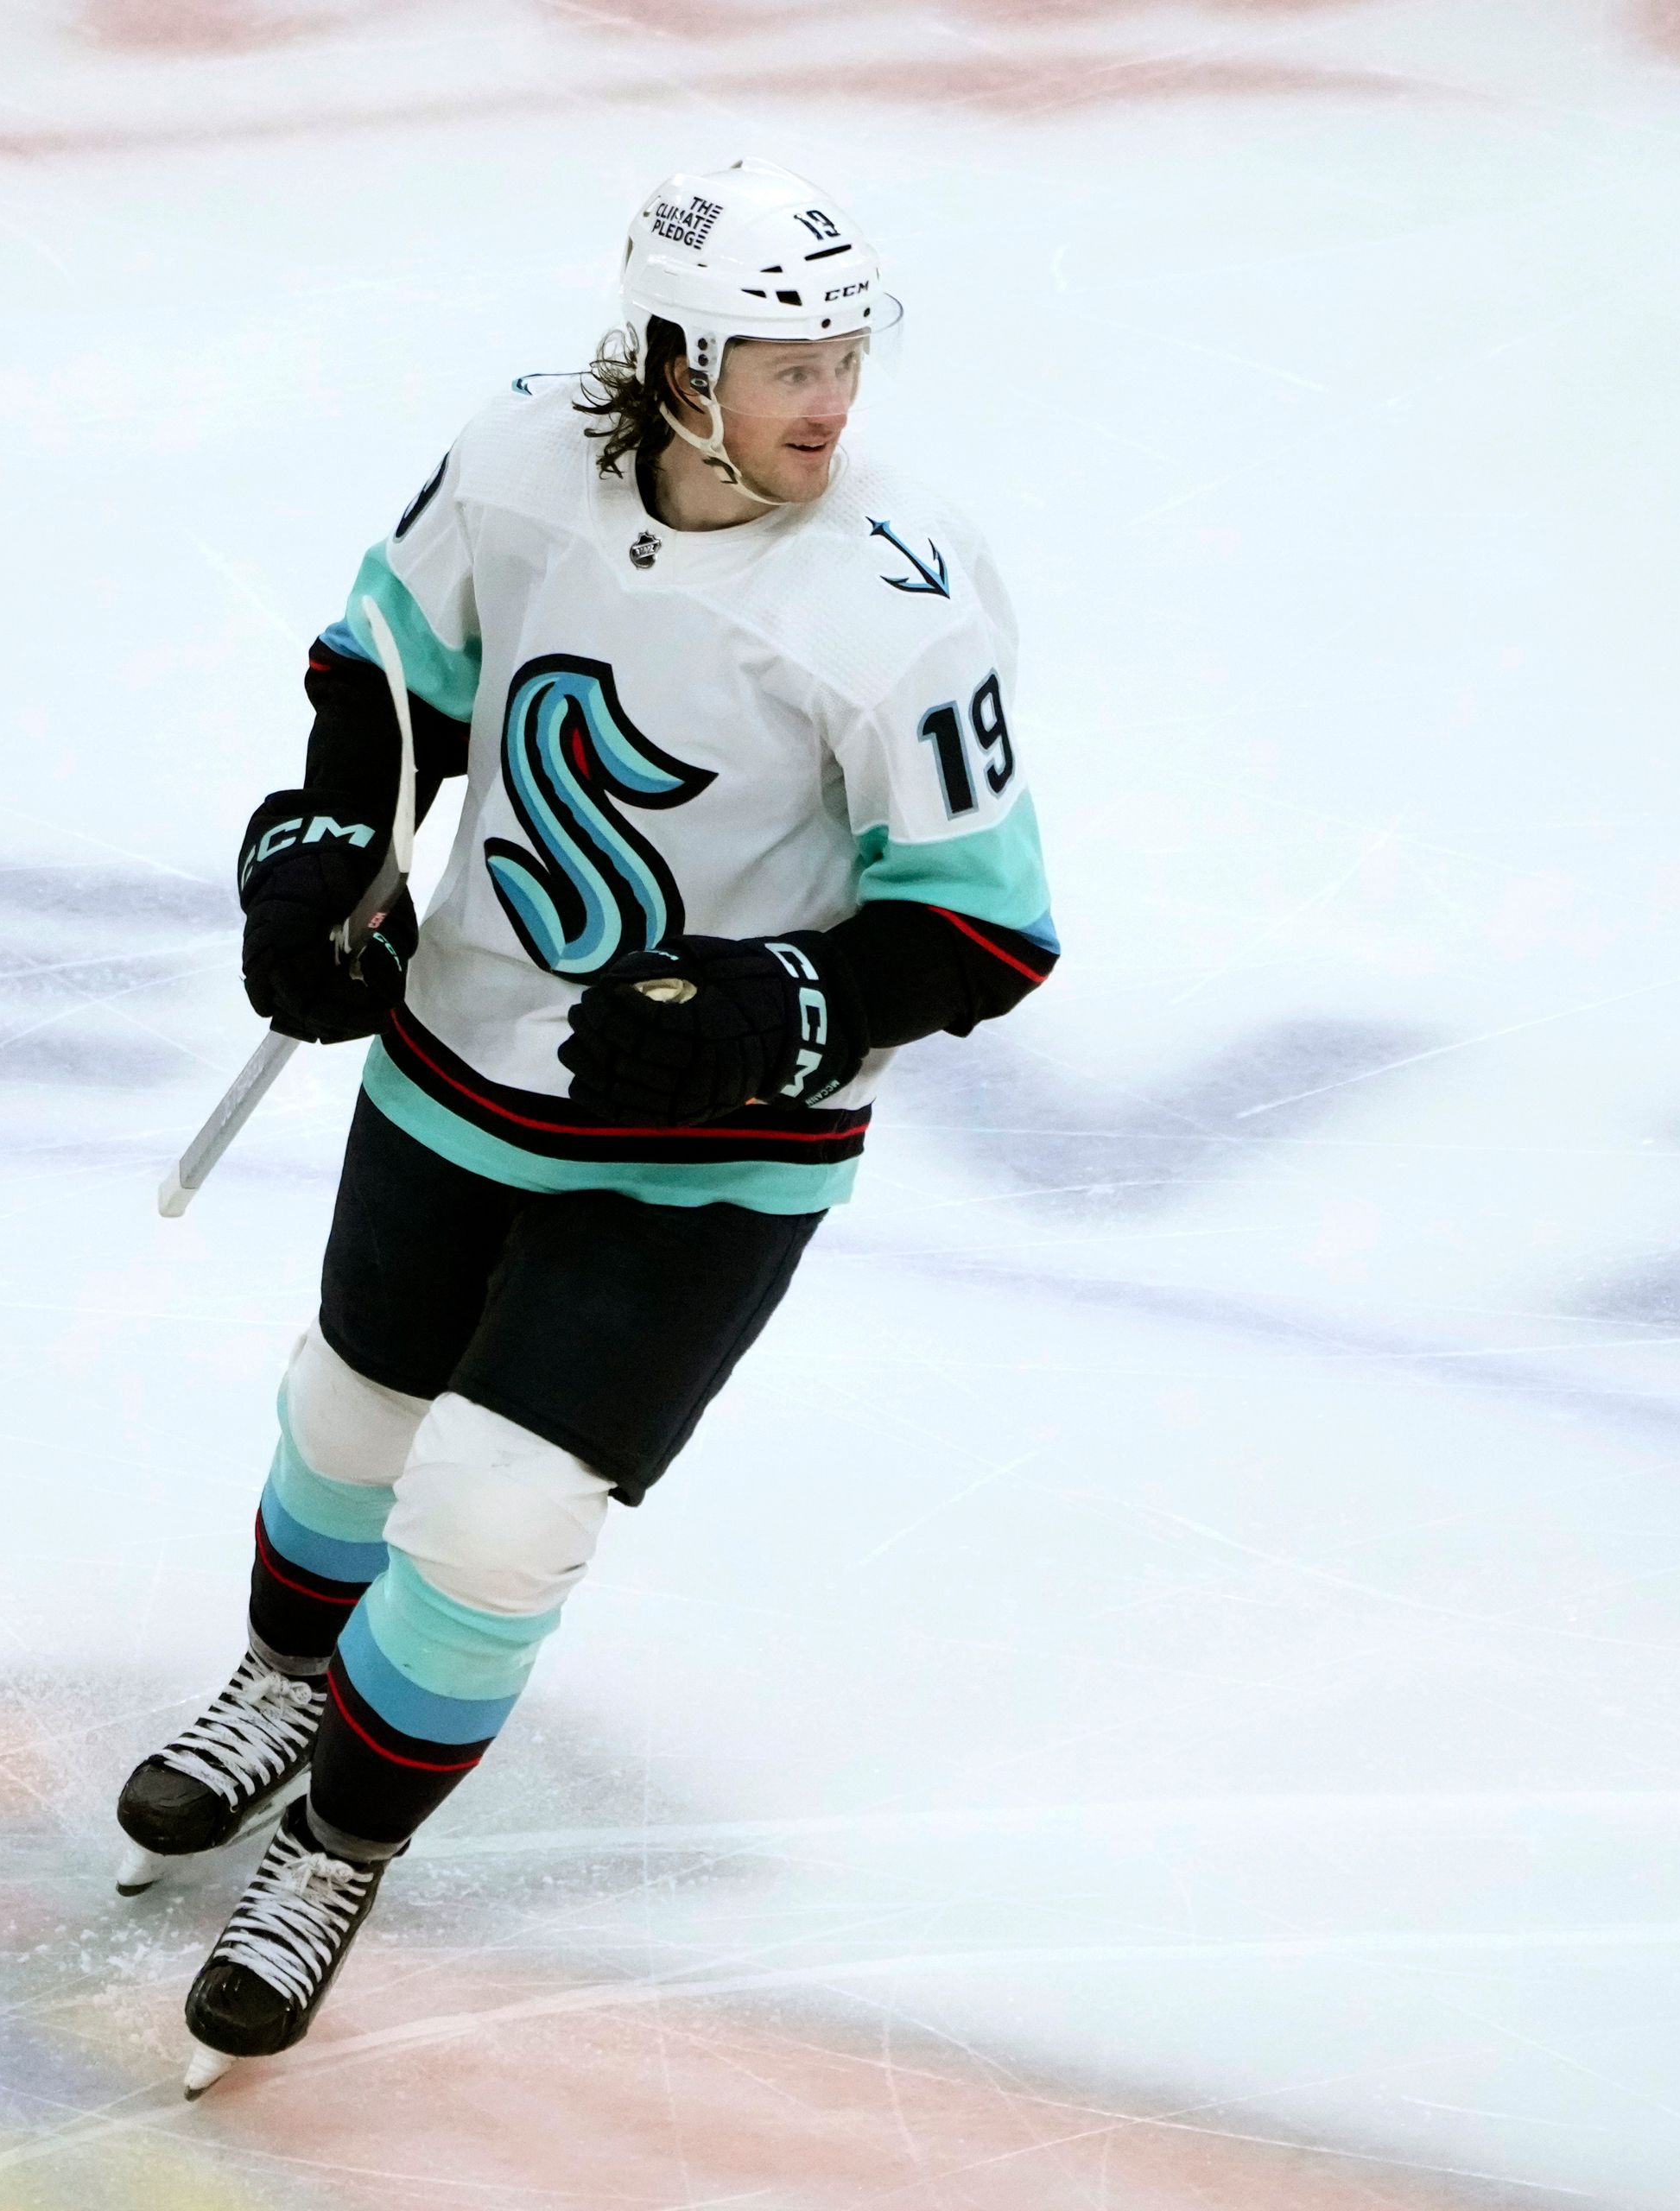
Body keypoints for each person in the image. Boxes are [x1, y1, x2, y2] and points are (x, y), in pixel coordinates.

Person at [113, 157, 1059, 2096]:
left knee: (495, 1514)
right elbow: (387, 691)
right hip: (461, 1050)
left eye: (847, 352)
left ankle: (339, 1845)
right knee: (350, 1423)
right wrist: (315, 869)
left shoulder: (900, 591)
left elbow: (982, 918)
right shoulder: (524, 453)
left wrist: (768, 1012)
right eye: (785, 355)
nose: (832, 397)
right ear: (666, 355)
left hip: (716, 1147)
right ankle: (289, 1679)